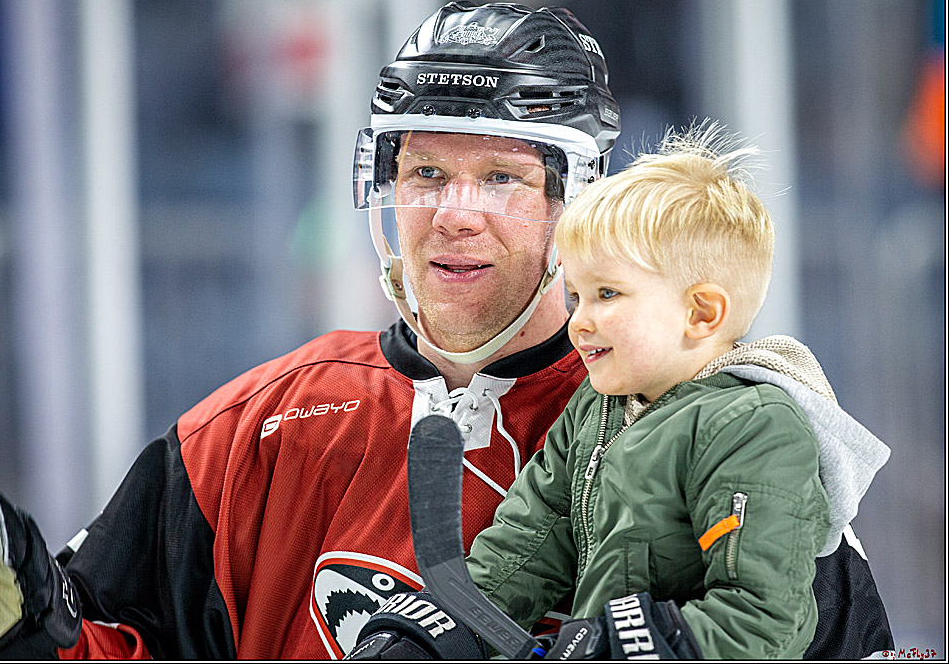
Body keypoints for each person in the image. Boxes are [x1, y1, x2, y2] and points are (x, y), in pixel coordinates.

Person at [0, 2, 892, 662]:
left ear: (579, 201)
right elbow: (108, 641)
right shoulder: (258, 430)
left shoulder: (696, 424)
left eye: (502, 178)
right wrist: (22, 628)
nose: (454, 214)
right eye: (426, 174)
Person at [349, 123, 893, 660]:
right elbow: (526, 545)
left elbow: (764, 618)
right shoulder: (597, 409)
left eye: (607, 294)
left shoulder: (751, 427)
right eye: (576, 296)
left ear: (701, 313)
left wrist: (628, 645)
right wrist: (432, 634)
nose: (580, 321)